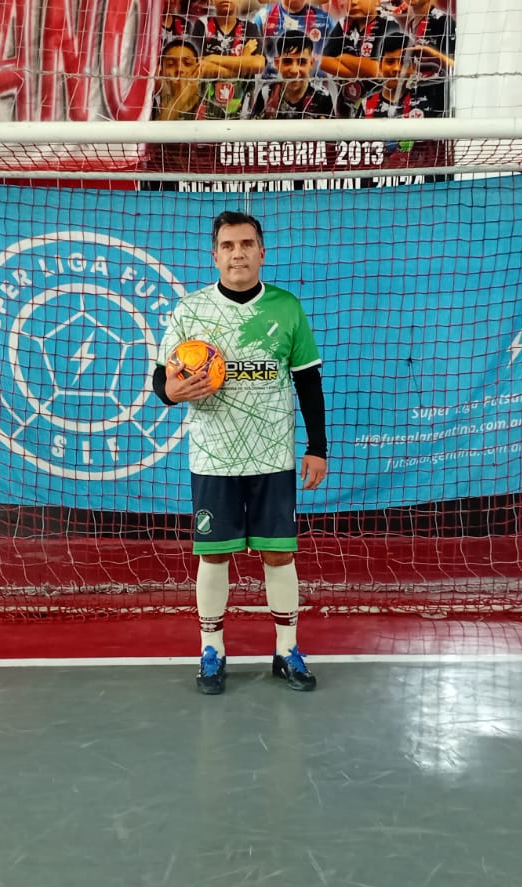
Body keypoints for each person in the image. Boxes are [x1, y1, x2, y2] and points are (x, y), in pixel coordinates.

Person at [151, 211, 329, 695]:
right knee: (214, 558)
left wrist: (317, 447)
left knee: (279, 553)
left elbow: (308, 381)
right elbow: (161, 380)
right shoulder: (190, 311)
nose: (238, 254)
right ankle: (212, 652)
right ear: (214, 256)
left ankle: (287, 650)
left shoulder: (286, 307)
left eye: (247, 244)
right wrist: (171, 392)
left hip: (273, 456)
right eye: (228, 246)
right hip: (214, 457)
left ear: (261, 253)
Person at [250, 31, 340, 118]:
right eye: (287, 61)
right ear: (277, 63)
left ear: (311, 63)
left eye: (302, 62)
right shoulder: (266, 93)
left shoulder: (322, 97)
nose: (294, 70)